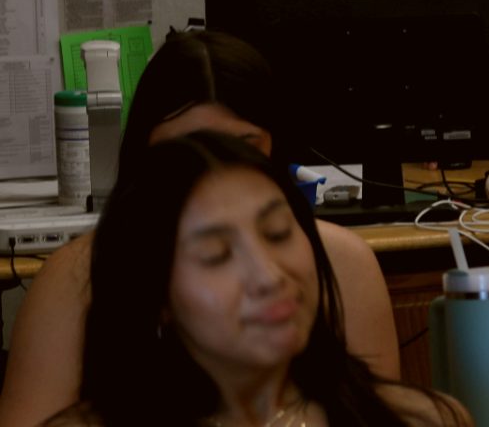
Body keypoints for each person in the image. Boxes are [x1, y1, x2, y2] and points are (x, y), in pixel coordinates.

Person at [0, 31, 399, 427]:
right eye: (185, 149)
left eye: (243, 146)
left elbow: (373, 410)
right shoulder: (75, 277)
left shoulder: (342, 261)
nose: (216, 169)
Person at [45, 131, 468, 427]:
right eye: (217, 255)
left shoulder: (421, 420)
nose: (269, 276)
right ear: (157, 298)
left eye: (279, 233)